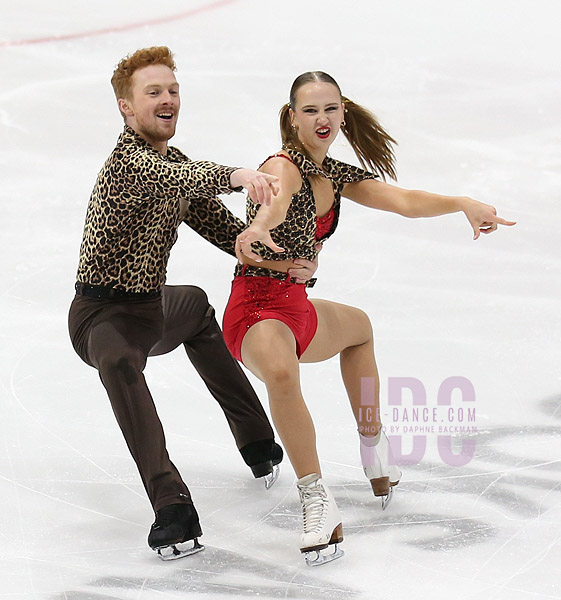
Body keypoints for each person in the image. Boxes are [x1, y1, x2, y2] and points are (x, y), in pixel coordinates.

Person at [222, 71, 516, 565]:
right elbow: (265, 214)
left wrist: (461, 202)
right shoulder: (282, 166)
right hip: (255, 310)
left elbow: (401, 201)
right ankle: (316, 498)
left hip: (297, 306)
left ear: (342, 112)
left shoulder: (334, 175)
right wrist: (259, 237)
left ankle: (372, 441)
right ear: (292, 117)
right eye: (310, 110)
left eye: (330, 109)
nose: (322, 119)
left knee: (358, 329)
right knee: (279, 370)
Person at [67, 47, 319, 561]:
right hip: (101, 316)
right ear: (126, 106)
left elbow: (234, 236)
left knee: (197, 306)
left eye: (172, 90)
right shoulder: (130, 166)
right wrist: (239, 176)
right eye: (153, 92)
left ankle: (256, 440)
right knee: (119, 362)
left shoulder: (173, 163)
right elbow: (182, 180)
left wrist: (290, 262)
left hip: (152, 310)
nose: (167, 100)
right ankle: (171, 506)